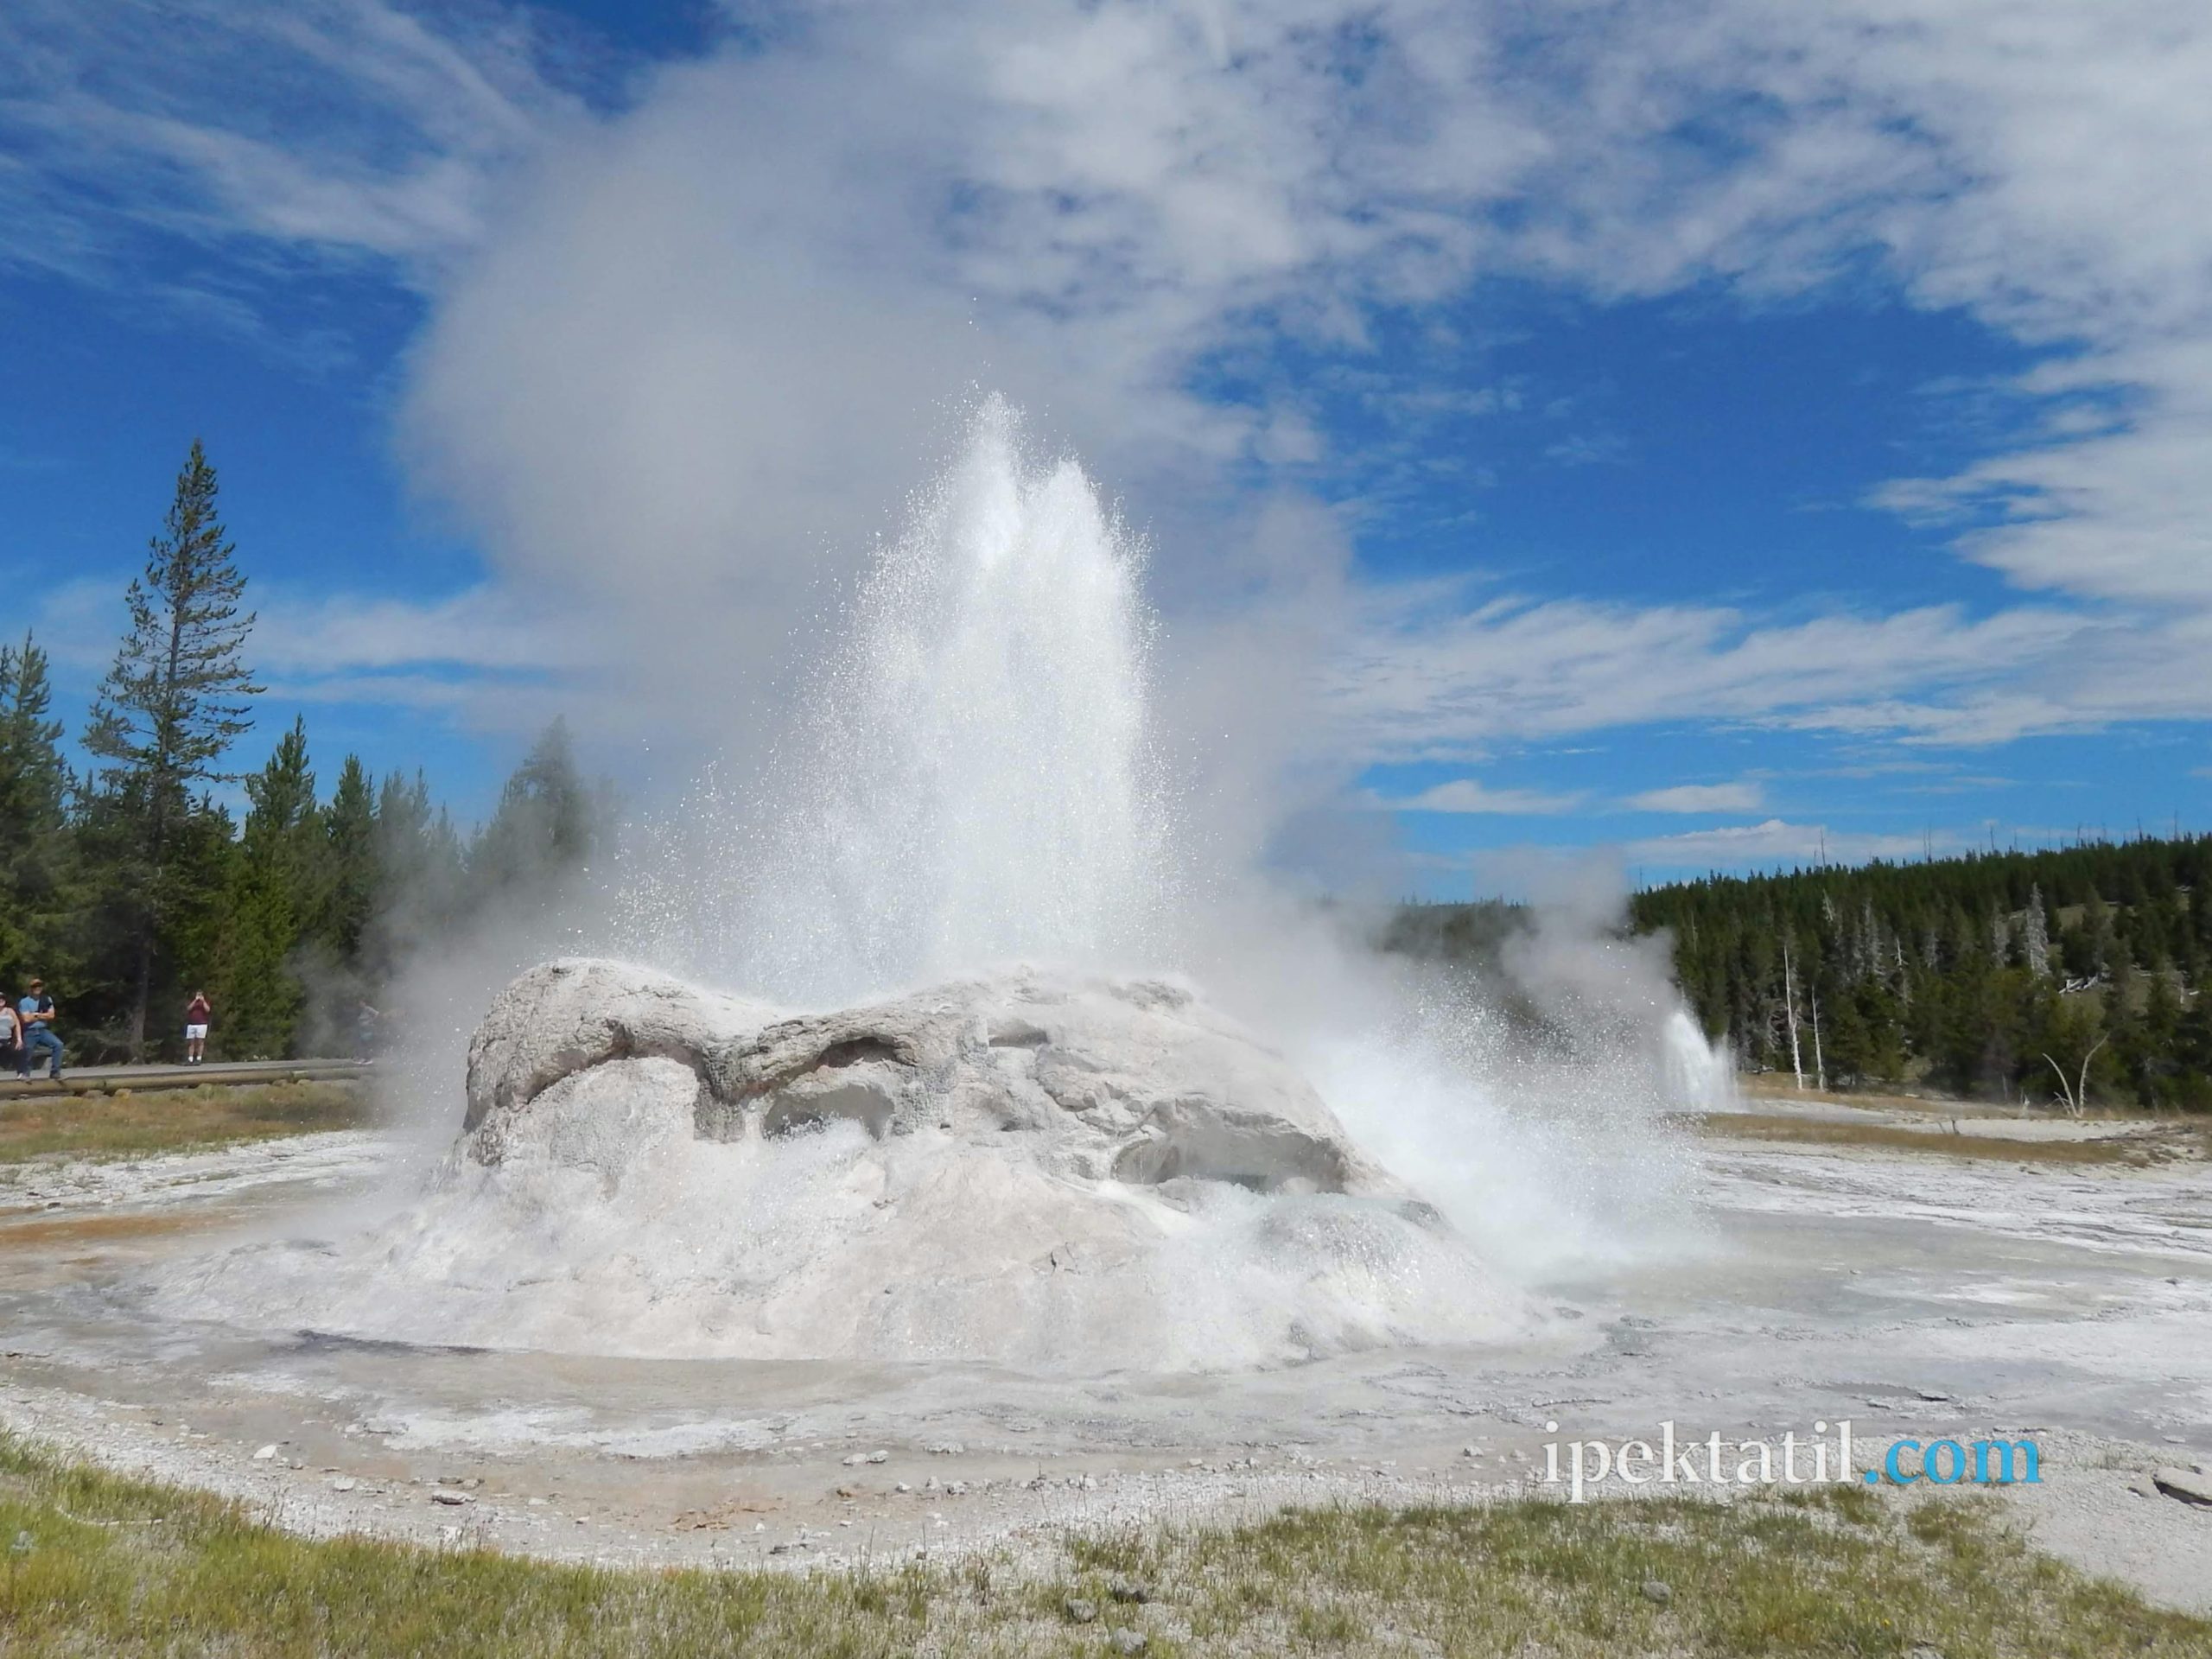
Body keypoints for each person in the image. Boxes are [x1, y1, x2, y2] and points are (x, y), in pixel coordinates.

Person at [17, 977, 61, 1082]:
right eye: (35, 986)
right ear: (30, 988)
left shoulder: (46, 999)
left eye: (39, 986)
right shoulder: (24, 1002)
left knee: (58, 1044)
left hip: (42, 1030)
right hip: (30, 1031)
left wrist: (36, 1015)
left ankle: (55, 1072)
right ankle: (25, 1073)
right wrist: (43, 1015)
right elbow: (26, 1019)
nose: (37, 988)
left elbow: (52, 1015)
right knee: (28, 1050)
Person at [185, 989, 213, 1065]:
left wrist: (203, 1001)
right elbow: (188, 1008)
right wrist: (195, 1000)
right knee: (191, 1042)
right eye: (197, 994)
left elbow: (208, 1010)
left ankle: (199, 1058)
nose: (199, 996)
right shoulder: (192, 1001)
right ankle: (190, 1059)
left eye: (200, 994)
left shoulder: (205, 1001)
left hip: (202, 1024)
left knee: (200, 1041)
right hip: (192, 1024)